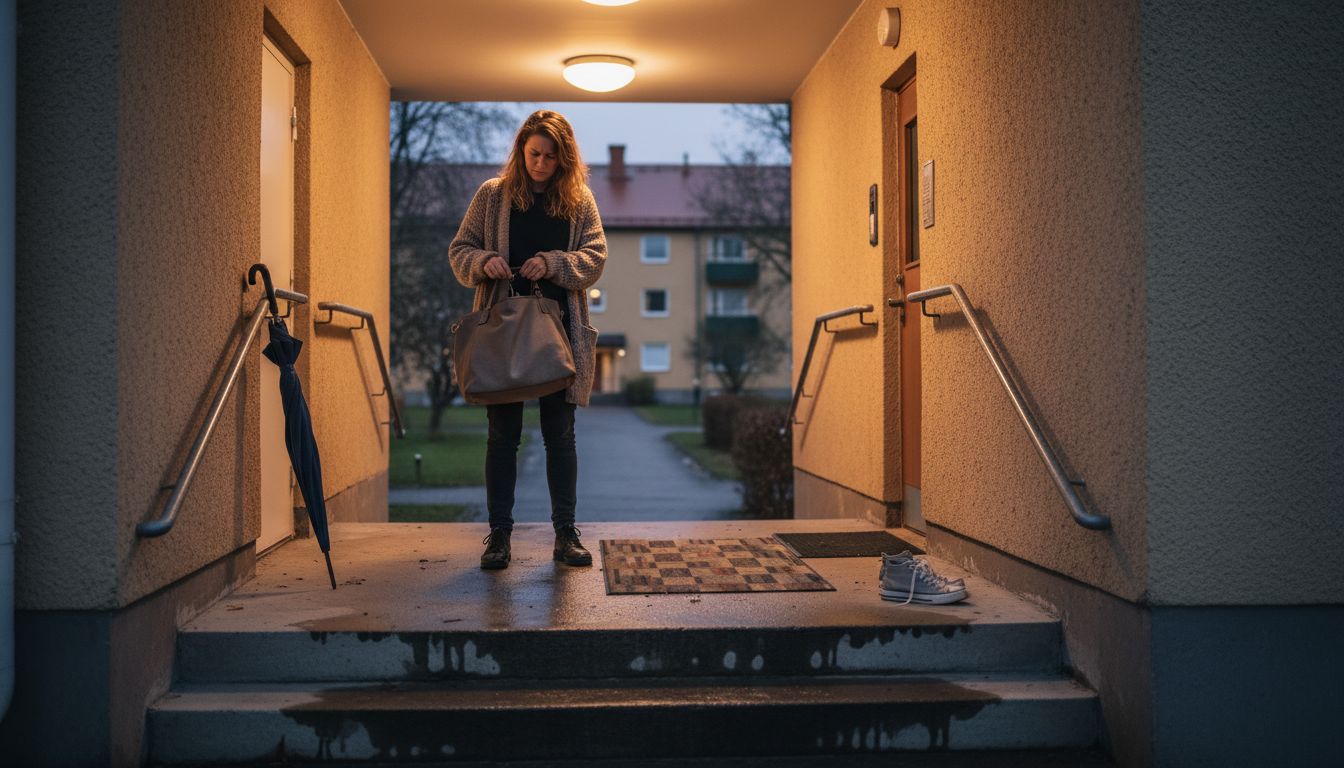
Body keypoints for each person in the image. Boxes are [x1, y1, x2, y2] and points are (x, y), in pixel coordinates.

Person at [448, 110, 607, 570]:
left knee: (561, 437)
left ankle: (566, 535)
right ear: (521, 151)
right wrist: (483, 261)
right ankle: (498, 538)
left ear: (564, 159)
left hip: (559, 334)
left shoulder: (579, 201)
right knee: (502, 439)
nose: (540, 163)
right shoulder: (493, 196)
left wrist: (554, 263)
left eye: (550, 156)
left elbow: (595, 258)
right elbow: (459, 251)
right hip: (502, 333)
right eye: (533, 153)